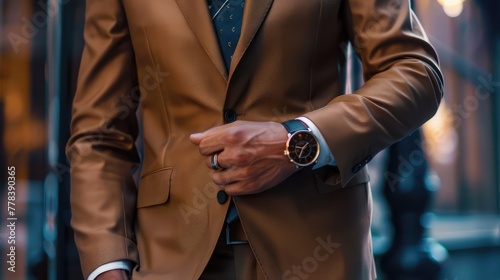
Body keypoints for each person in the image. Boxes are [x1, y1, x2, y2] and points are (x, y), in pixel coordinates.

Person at [66, 0, 443, 279]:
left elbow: (414, 72)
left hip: (318, 252)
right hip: (171, 258)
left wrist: (299, 142)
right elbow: (99, 133)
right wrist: (107, 265)